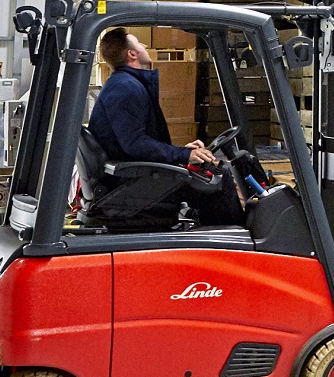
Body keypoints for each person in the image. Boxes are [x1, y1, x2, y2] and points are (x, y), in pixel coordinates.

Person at [87, 27, 245, 227]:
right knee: (219, 181)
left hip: (134, 174)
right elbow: (134, 143)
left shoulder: (126, 84)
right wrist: (182, 155)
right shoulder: (125, 87)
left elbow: (136, 141)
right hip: (132, 183)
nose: (145, 45)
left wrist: (180, 153)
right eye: (139, 43)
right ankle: (233, 240)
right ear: (132, 54)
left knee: (209, 174)